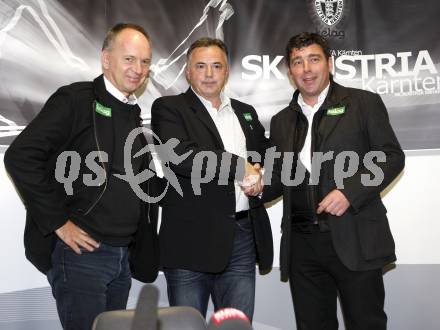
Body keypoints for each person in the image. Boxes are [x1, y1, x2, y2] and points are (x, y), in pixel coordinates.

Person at [4, 23, 160, 330]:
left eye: (144, 62)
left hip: (121, 258)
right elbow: (20, 156)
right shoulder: (75, 100)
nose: (138, 69)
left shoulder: (132, 112)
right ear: (106, 59)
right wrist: (59, 223)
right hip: (82, 258)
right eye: (129, 59)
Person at [262, 32, 405, 330]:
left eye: (314, 59)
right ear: (290, 71)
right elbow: (277, 180)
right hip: (302, 245)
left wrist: (350, 193)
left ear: (329, 63)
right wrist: (257, 184)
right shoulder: (281, 121)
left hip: (354, 237)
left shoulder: (362, 103)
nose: (306, 69)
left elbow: (391, 157)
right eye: (298, 62)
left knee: (366, 324)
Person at [151, 37, 273, 321]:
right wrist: (241, 168)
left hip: (241, 238)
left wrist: (261, 179)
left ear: (226, 71)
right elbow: (181, 156)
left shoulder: (246, 112)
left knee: (236, 326)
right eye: (201, 66)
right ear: (188, 71)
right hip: (189, 241)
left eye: (216, 66)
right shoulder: (168, 108)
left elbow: (265, 158)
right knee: (184, 327)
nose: (209, 74)